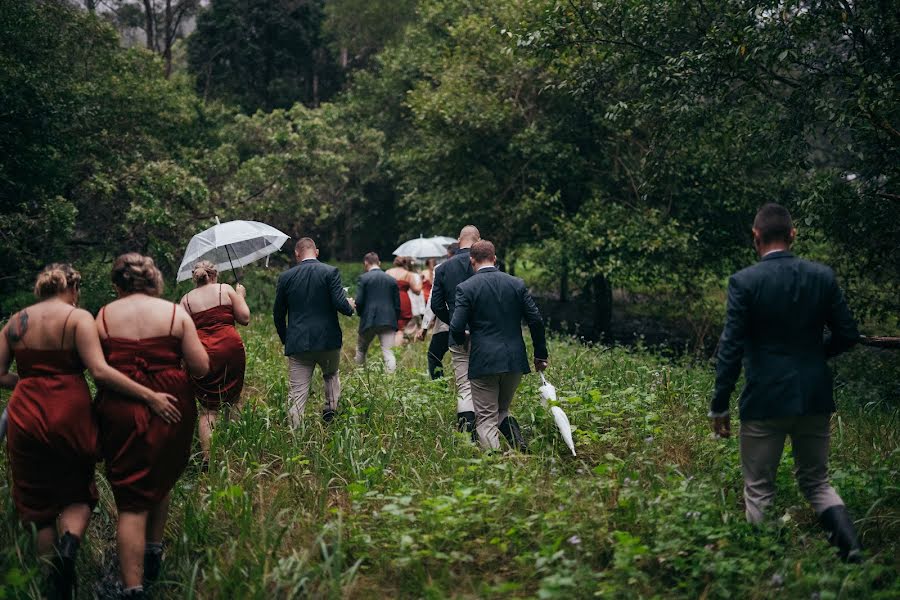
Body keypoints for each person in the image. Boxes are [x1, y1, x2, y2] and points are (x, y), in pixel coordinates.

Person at [0, 264, 184, 599]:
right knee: (77, 492)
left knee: (39, 506)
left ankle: (53, 579)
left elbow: (0, 375)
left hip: (25, 411)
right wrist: (149, 395)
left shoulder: (14, 322)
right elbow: (100, 371)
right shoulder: (78, 318)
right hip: (69, 409)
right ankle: (70, 543)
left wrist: (29, 382)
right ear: (71, 288)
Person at [710, 203, 863, 562]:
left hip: (765, 399)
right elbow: (848, 334)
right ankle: (852, 552)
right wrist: (814, 357)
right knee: (817, 483)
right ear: (793, 235)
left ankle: (764, 566)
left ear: (756, 236)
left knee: (759, 489)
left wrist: (719, 403)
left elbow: (730, 349)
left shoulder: (745, 282)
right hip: (814, 396)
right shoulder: (822, 276)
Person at [95, 254, 209, 596]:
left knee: (130, 498)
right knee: (162, 476)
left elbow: (95, 366)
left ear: (118, 285)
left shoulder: (103, 316)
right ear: (154, 280)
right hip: (173, 405)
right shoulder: (175, 313)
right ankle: (153, 552)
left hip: (120, 407)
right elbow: (201, 367)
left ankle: (132, 587)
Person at [450, 240, 549, 450]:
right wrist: (540, 355)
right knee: (502, 409)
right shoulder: (517, 284)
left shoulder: (466, 288)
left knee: (485, 417)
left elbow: (456, 326)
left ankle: (493, 468)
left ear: (471, 261)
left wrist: (463, 342)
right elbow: (536, 321)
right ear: (494, 259)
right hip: (514, 360)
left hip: (484, 360)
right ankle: (518, 446)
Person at [273, 238, 355, 424]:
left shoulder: (286, 277)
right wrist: (349, 305)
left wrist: (287, 339)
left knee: (297, 394)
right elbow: (341, 305)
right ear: (316, 251)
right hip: (328, 340)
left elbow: (278, 314)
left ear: (296, 253)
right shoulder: (330, 272)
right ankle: (330, 411)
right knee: (331, 376)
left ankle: (295, 440)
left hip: (298, 343)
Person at [180, 261, 250, 464]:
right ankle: (234, 451)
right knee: (233, 400)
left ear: (195, 277)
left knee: (209, 409)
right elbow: (244, 318)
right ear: (214, 275)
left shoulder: (185, 300)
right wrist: (241, 296)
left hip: (202, 353)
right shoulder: (225, 290)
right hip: (231, 348)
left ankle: (209, 459)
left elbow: (181, 335)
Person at [430, 226, 480, 435]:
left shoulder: (443, 268)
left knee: (464, 386)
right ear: (479, 241)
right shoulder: (486, 263)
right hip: (485, 332)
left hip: (457, 333)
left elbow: (436, 305)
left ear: (459, 240)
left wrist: (453, 321)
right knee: (485, 384)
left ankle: (467, 434)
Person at [354, 252, 401, 373]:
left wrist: (361, 314)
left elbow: (359, 301)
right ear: (379, 263)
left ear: (366, 263)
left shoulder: (364, 278)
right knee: (388, 352)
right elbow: (397, 304)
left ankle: (360, 375)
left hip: (369, 320)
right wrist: (395, 320)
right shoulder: (391, 280)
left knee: (361, 350)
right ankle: (391, 380)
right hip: (388, 319)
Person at [420, 243, 458, 379]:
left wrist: (424, 327)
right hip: (468, 322)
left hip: (445, 322)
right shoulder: (472, 266)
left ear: (450, 255)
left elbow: (433, 301)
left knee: (434, 355)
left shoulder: (441, 269)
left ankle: (440, 386)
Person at [385, 256, 423, 345]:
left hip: (389, 300)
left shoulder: (388, 272)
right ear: (405, 263)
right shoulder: (408, 274)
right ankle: (396, 348)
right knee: (400, 328)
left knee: (391, 326)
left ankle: (389, 346)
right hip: (403, 301)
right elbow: (417, 291)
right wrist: (420, 280)